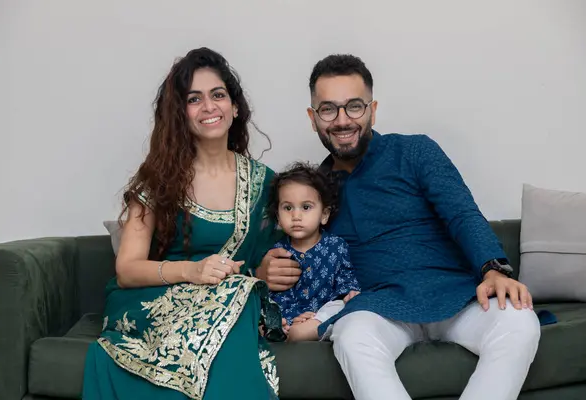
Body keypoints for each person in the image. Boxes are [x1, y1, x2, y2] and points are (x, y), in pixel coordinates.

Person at [256, 54, 541, 400]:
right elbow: (299, 248)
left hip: (454, 296)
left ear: (373, 109)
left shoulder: (416, 151)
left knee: (519, 322)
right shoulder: (313, 193)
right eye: (328, 109)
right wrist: (264, 270)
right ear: (312, 118)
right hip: (380, 310)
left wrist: (493, 268)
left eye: (354, 107)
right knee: (352, 336)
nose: (342, 120)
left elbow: (462, 213)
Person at [82, 47, 285, 400]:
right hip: (155, 299)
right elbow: (127, 269)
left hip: (231, 298)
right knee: (236, 293)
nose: (209, 107)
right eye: (194, 99)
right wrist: (191, 272)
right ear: (181, 113)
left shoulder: (264, 182)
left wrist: (266, 268)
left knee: (242, 292)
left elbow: (270, 256)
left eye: (218, 95)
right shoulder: (158, 180)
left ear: (235, 107)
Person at [265, 162, 361, 341]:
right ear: (278, 216)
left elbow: (346, 279)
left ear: (324, 215)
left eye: (306, 207)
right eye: (288, 208)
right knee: (268, 313)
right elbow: (279, 295)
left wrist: (351, 292)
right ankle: (292, 330)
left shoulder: (336, 246)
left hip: (325, 312)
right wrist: (296, 317)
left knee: (342, 306)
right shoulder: (278, 252)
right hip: (293, 318)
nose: (296, 216)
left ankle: (315, 328)